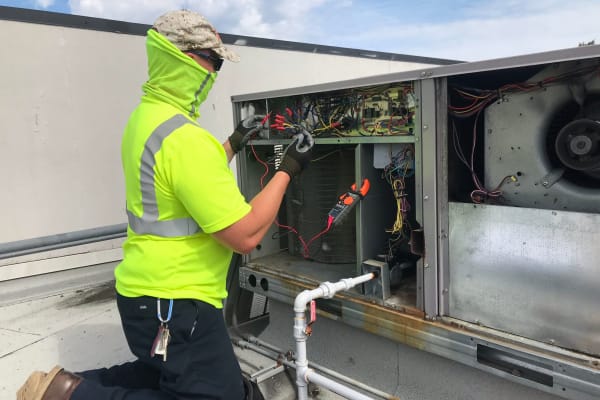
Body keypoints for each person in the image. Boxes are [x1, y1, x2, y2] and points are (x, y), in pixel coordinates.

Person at [17, 9, 312, 400]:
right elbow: (246, 234)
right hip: (176, 303)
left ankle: (62, 383)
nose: (216, 72)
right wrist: (288, 168)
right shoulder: (186, 140)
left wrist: (233, 143)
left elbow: (180, 180)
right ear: (186, 60)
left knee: (167, 372)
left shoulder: (148, 120)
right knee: (217, 396)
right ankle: (67, 395)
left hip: (146, 293)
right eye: (214, 61)